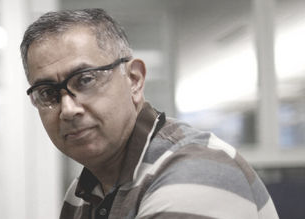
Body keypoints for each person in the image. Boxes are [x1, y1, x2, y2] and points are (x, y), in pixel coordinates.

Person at [20, 8, 278, 219]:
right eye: (47, 93)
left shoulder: (196, 172)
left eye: (85, 80)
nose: (68, 109)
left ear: (134, 80)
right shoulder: (83, 193)